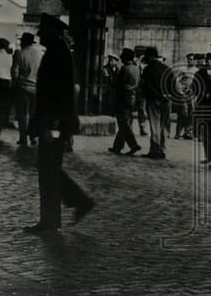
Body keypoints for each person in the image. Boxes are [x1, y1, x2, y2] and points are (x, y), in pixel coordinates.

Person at [25, 13, 93, 234]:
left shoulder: (58, 53)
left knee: (48, 170)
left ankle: (52, 220)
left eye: (42, 31)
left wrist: (51, 124)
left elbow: (59, 92)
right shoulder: (58, 51)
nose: (39, 35)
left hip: (53, 120)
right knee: (49, 168)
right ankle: (73, 204)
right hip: (52, 119)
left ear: (53, 32)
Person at [12, 32, 44, 147]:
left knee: (22, 114)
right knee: (33, 114)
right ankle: (33, 137)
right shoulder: (40, 54)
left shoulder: (20, 54)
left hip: (23, 87)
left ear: (23, 42)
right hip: (36, 88)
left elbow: (15, 72)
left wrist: (15, 84)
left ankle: (23, 138)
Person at [108, 47, 142, 156]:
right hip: (132, 97)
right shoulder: (136, 68)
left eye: (122, 55)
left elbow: (117, 84)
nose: (121, 57)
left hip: (123, 98)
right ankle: (117, 146)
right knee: (125, 122)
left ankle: (133, 144)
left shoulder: (125, 68)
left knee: (123, 123)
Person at [141, 47, 171, 159]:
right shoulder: (166, 68)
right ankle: (163, 149)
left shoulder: (148, 70)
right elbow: (173, 84)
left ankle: (154, 150)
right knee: (164, 125)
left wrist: (159, 96)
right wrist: (167, 95)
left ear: (149, 56)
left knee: (155, 126)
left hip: (154, 100)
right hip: (167, 100)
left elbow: (147, 86)